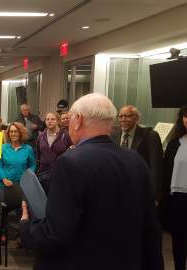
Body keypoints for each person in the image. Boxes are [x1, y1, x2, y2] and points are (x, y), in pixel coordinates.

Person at [20, 93, 163, 270]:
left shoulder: (70, 163)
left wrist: (27, 226)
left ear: (78, 120)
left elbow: (56, 235)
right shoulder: (136, 160)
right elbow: (151, 231)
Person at [110, 105, 163, 202]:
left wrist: (154, 196)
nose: (123, 119)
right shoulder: (113, 134)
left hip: (139, 190)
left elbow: (156, 168)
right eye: (120, 116)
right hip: (116, 188)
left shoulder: (150, 136)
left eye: (128, 116)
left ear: (137, 118)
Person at [163, 105, 187, 270]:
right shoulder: (174, 143)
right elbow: (166, 172)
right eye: (186, 116)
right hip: (177, 198)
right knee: (178, 239)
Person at [0, 122, 36, 202]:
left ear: (21, 133)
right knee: (3, 210)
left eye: (16, 131)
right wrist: (4, 179)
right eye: (11, 131)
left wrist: (27, 177)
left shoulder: (28, 149)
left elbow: (32, 165)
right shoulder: (2, 148)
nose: (13, 134)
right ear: (8, 133)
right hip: (3, 184)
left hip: (21, 185)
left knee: (20, 209)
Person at [36, 112, 72, 194]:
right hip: (43, 174)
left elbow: (71, 152)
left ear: (58, 121)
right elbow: (38, 154)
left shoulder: (65, 135)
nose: (49, 121)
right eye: (47, 119)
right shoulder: (41, 136)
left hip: (60, 173)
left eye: (52, 119)